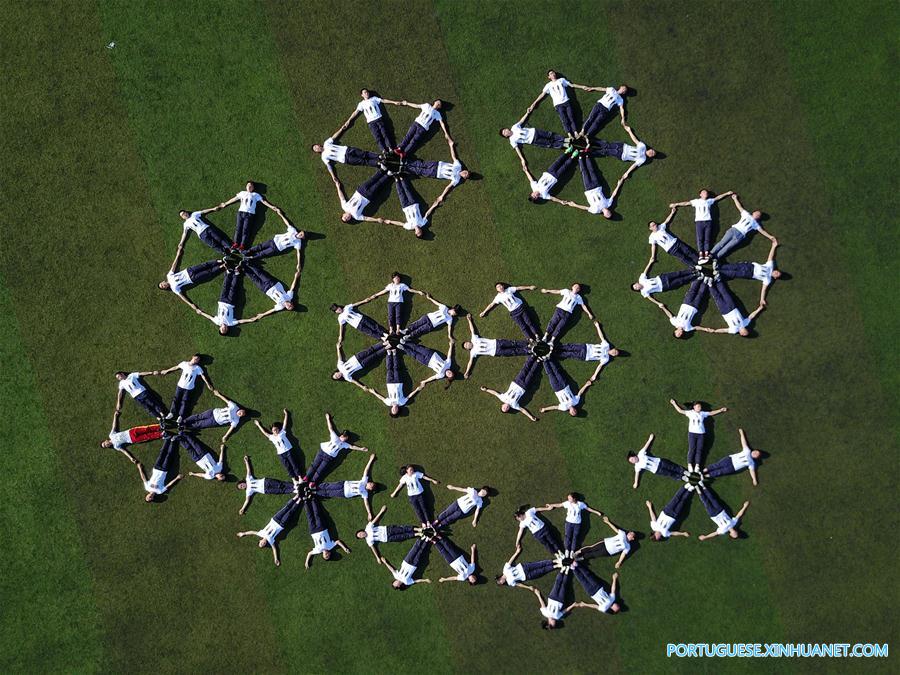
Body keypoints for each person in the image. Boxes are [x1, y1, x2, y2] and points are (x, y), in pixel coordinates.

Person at [213, 181, 282, 249]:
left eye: (251, 186)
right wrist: (225, 203)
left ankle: (242, 245)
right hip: (240, 213)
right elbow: (234, 199)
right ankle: (236, 243)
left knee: (245, 230)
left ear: (253, 188)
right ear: (246, 187)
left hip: (250, 214)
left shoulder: (255, 194)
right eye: (248, 185)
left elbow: (263, 201)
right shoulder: (242, 193)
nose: (249, 186)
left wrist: (272, 207)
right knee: (238, 228)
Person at [669, 189, 734, 263]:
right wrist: (676, 204)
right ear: (700, 194)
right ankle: (700, 255)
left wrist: (727, 193)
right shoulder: (696, 201)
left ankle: (706, 254)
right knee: (700, 238)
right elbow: (686, 203)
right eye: (704, 192)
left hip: (708, 222)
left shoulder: (709, 201)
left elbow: (718, 198)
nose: (705, 193)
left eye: (706, 193)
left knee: (707, 238)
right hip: (699, 222)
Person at [305, 413, 370, 485]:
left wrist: (361, 449)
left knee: (320, 470)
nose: (344, 438)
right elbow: (330, 428)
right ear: (341, 435)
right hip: (322, 452)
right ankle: (307, 477)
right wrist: (328, 419)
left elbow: (352, 447)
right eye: (344, 436)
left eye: (346, 437)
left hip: (329, 458)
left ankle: (312, 482)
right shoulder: (334, 437)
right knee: (314, 465)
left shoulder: (344, 444)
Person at [237, 496, 303, 566]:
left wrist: (243, 533)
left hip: (275, 519)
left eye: (261, 543)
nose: (263, 544)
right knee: (290, 512)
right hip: (281, 525)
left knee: (286, 508)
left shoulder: (260, 534)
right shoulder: (270, 541)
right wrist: (276, 559)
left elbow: (252, 532)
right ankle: (299, 500)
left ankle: (297, 496)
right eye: (263, 545)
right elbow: (274, 549)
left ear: (260, 541)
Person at [554, 320, 620, 387]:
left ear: (613, 355)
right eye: (615, 351)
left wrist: (595, 375)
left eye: (615, 354)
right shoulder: (606, 345)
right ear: (614, 348)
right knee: (570, 347)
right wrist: (597, 326)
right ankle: (556, 347)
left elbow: (600, 366)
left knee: (570, 354)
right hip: (585, 347)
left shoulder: (606, 359)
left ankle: (556, 354)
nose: (614, 352)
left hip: (585, 356)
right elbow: (602, 337)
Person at [710, 193, 777, 259]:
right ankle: (711, 254)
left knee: (727, 248)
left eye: (758, 215)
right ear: (753, 213)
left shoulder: (756, 224)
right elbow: (739, 207)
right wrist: (735, 199)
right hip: (733, 230)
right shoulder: (746, 214)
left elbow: (762, 231)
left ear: (759, 218)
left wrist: (770, 237)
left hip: (740, 236)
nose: (757, 215)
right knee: (722, 242)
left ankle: (716, 258)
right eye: (756, 213)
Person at [462, 314, 530, 378]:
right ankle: (528, 350)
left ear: (468, 341)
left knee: (513, 343)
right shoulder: (473, 352)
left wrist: (469, 320)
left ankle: (528, 343)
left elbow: (472, 330)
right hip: (496, 352)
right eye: (467, 346)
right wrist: (467, 372)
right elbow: (470, 362)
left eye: (467, 343)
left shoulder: (473, 339)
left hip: (497, 342)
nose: (468, 345)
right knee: (513, 352)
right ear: (468, 349)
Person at [717, 239, 781, 308]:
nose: (776, 272)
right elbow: (770, 256)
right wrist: (774, 246)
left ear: (775, 277)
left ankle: (719, 273)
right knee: (734, 266)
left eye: (777, 274)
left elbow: (764, 289)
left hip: (749, 274)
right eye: (777, 271)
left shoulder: (768, 280)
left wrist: (762, 299)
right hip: (750, 266)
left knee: (734, 273)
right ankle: (719, 266)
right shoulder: (770, 266)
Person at [360, 350, 426, 416]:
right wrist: (418, 389)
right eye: (396, 411)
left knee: (389, 369)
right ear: (398, 410)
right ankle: (394, 354)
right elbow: (409, 396)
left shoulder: (388, 403)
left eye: (393, 411)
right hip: (398, 382)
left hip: (389, 383)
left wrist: (373, 392)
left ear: (391, 409)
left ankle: (388, 354)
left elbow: (381, 398)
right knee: (396, 368)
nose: (394, 410)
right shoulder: (401, 402)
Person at [355, 272, 423, 334]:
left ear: (399, 279)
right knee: (390, 316)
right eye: (395, 278)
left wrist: (418, 292)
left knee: (398, 316)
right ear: (393, 279)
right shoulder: (390, 285)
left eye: (398, 278)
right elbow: (384, 291)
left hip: (399, 302)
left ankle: (398, 329)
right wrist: (376, 295)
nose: (397, 279)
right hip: (390, 302)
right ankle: (391, 329)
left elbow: (410, 290)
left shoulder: (402, 285)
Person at [479, 355, 541, 422]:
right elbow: (523, 410)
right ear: (508, 409)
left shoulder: (503, 398)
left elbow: (495, 393)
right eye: (506, 409)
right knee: (531, 373)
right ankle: (538, 361)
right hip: (523, 387)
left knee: (525, 369)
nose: (506, 408)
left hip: (516, 382)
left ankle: (532, 356)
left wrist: (486, 390)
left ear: (502, 405)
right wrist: (531, 417)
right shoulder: (514, 406)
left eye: (504, 408)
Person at [670, 399, 728, 470]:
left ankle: (697, 465)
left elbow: (711, 413)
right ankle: (690, 464)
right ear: (694, 407)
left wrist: (720, 410)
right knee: (692, 448)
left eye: (700, 407)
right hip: (692, 434)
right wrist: (674, 404)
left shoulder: (702, 413)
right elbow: (680, 411)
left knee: (699, 450)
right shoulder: (690, 413)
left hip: (701, 434)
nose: (699, 408)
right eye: (698, 406)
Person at [157, 354, 211, 421]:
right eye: (196, 358)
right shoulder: (184, 363)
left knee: (184, 402)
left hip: (189, 388)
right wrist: (167, 371)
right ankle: (172, 413)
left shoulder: (197, 368)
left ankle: (181, 416)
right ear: (193, 357)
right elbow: (176, 367)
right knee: (176, 399)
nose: (196, 360)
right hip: (180, 385)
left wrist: (208, 384)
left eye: (198, 360)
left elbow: (203, 376)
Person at [254, 409, 303, 481]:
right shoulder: (271, 437)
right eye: (273, 430)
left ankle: (300, 477)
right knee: (287, 467)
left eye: (276, 429)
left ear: (279, 429)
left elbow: (285, 423)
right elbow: (264, 432)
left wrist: (286, 414)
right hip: (281, 454)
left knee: (294, 464)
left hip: (288, 451)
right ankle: (294, 480)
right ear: (272, 431)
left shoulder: (282, 433)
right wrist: (258, 425)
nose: (275, 431)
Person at [304, 497, 350, 568]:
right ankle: (313, 499)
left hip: (313, 531)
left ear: (323, 555)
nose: (326, 555)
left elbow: (309, 554)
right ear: (329, 553)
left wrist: (307, 562)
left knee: (309, 516)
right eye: (328, 555)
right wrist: (344, 548)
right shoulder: (330, 546)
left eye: (325, 556)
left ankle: (306, 501)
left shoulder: (317, 551)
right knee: (317, 514)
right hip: (322, 528)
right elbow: (338, 541)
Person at [136, 438, 182, 502]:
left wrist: (140, 468)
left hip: (156, 468)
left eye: (147, 497)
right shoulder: (159, 491)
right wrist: (177, 478)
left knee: (162, 453)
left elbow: (143, 478)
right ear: (152, 498)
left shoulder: (147, 487)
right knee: (168, 455)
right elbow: (169, 485)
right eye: (150, 498)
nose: (149, 497)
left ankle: (167, 438)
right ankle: (173, 441)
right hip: (164, 470)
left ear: (147, 495)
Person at [159, 259, 225, 296]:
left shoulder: (169, 276)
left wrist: (178, 255)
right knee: (208, 272)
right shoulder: (174, 289)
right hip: (192, 278)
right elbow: (182, 297)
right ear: (166, 288)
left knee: (204, 265)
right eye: (163, 287)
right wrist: (192, 306)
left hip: (189, 270)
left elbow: (173, 266)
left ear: (163, 281)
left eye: (162, 284)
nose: (163, 285)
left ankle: (218, 261)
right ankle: (222, 266)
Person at [312, 137, 381, 167]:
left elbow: (333, 137)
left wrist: (342, 128)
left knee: (364, 154)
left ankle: (379, 156)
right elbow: (328, 166)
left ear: (318, 145)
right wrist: (333, 176)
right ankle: (378, 163)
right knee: (363, 161)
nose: (316, 148)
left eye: (315, 147)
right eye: (315, 149)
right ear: (317, 152)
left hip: (347, 150)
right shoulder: (323, 157)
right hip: (346, 159)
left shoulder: (326, 143)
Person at [632, 268, 698, 299]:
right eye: (636, 288)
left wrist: (650, 261)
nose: (637, 287)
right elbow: (650, 298)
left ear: (637, 283)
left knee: (678, 274)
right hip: (664, 286)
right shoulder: (643, 292)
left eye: (635, 285)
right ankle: (694, 275)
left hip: (662, 278)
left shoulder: (641, 279)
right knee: (680, 281)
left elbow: (645, 271)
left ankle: (692, 270)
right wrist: (658, 304)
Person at [500, 124, 567, 149]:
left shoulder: (514, 127)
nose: (506, 131)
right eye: (504, 133)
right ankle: (563, 144)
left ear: (507, 128)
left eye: (505, 130)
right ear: (506, 136)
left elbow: (521, 121)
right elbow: (517, 149)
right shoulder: (512, 140)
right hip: (533, 140)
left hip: (535, 132)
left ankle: (564, 139)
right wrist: (522, 160)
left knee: (550, 134)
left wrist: (527, 113)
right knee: (549, 143)